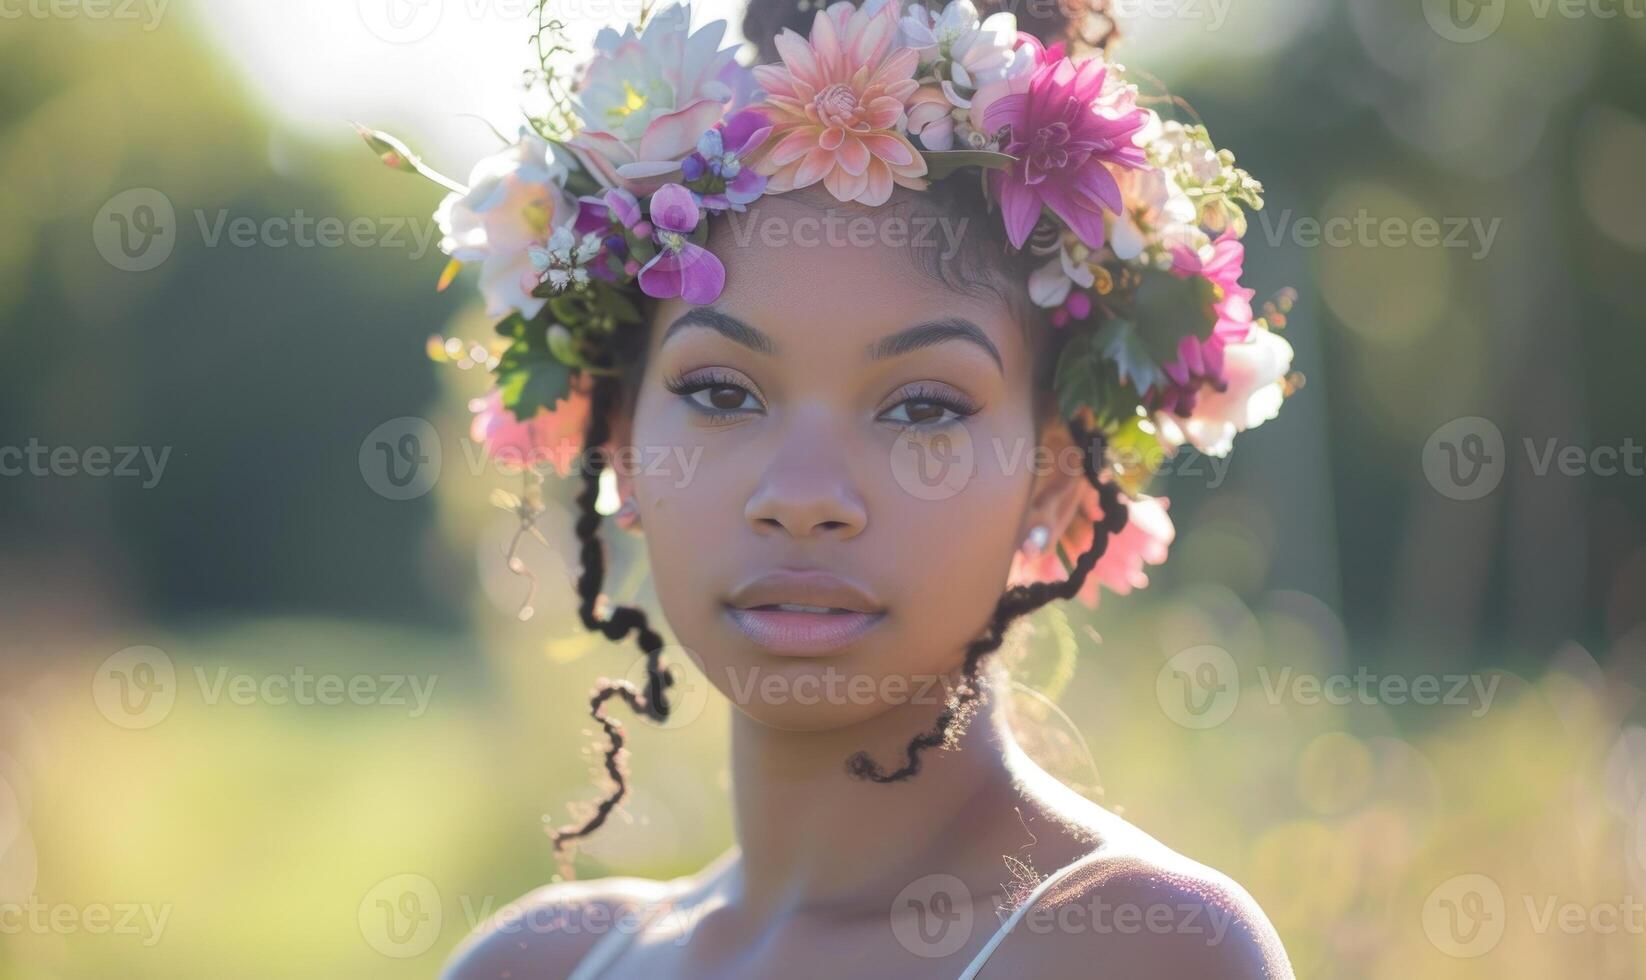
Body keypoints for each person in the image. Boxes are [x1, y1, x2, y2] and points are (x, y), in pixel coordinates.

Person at [367, 0, 1299, 974]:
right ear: (620, 445)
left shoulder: (1143, 950)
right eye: (721, 390)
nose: (803, 494)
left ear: (1054, 480)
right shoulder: (532, 964)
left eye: (922, 407)